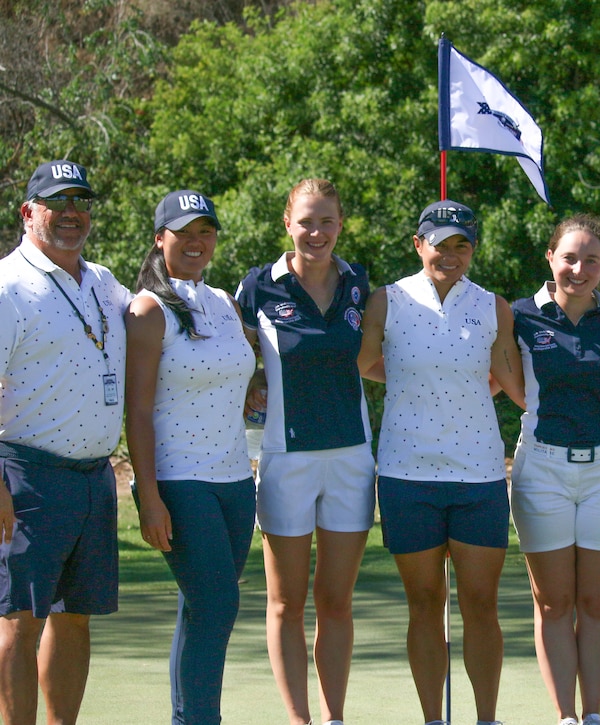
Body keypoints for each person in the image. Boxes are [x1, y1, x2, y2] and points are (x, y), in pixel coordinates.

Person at [356, 200, 523, 725]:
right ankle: (433, 719)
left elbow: (509, 381)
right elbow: (361, 364)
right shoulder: (388, 300)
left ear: (473, 248)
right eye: (438, 243)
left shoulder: (494, 305)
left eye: (461, 245)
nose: (449, 254)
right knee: (425, 603)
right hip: (407, 475)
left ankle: (486, 719)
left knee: (480, 605)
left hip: (478, 475)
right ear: (417, 243)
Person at [236, 179, 377, 725]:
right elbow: (235, 344)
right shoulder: (258, 287)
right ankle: (299, 720)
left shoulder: (360, 284)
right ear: (287, 224)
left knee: (336, 601)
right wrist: (249, 379)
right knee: (285, 603)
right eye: (306, 221)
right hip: (285, 460)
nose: (316, 232)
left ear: (341, 225)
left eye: (327, 221)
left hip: (350, 459)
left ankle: (334, 717)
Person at [0, 159, 131, 723]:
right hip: (26, 474)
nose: (72, 213)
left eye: (81, 202)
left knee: (74, 616)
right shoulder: (8, 284)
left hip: (93, 477)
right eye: (58, 203)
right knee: (17, 622)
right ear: (29, 212)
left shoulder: (102, 281)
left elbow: (162, 325)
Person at [125, 190, 257, 724]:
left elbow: (229, 371)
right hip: (179, 480)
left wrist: (246, 390)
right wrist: (149, 496)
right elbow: (136, 412)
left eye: (206, 231)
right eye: (184, 232)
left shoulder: (224, 301)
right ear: (160, 239)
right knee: (216, 605)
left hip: (232, 480)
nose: (197, 241)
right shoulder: (148, 310)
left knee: (202, 606)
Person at [509, 213, 600, 725]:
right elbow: (509, 383)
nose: (578, 269)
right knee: (555, 603)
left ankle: (594, 714)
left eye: (590, 260)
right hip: (542, 471)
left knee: (597, 601)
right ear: (550, 258)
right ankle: (565, 716)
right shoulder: (518, 315)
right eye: (569, 257)